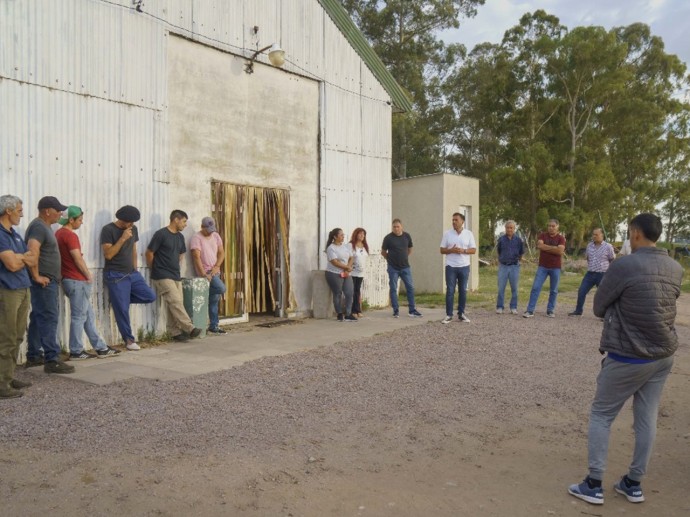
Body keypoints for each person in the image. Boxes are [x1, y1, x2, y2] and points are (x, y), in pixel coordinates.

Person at [568, 213, 684, 506]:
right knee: (646, 418)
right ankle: (633, 483)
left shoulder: (623, 265)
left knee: (601, 414)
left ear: (634, 233)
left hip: (627, 355)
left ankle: (593, 484)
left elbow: (598, 307)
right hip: (663, 356)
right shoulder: (675, 267)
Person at [56, 206, 120, 359]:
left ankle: (101, 348)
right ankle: (76, 351)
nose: (81, 223)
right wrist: (88, 275)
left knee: (88, 315)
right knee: (79, 316)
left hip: (68, 279)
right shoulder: (70, 236)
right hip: (77, 280)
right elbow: (77, 257)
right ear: (71, 220)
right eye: (79, 220)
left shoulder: (58, 234)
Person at [24, 196, 75, 374]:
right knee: (48, 317)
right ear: (47, 211)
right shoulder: (39, 226)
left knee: (38, 317)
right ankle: (52, 359)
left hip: (48, 280)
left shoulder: (43, 226)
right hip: (44, 281)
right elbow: (32, 249)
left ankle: (33, 355)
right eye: (58, 210)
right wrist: (37, 276)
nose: (60, 213)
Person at [101, 205, 156, 351]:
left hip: (131, 273)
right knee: (123, 310)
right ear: (122, 219)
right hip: (115, 274)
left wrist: (135, 269)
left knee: (150, 296)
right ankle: (129, 340)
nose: (132, 225)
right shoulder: (108, 230)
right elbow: (108, 254)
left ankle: (120, 300)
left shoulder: (134, 229)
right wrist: (122, 238)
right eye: (130, 222)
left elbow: (133, 249)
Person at [0, 195, 37, 398]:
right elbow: (12, 265)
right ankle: (1, 384)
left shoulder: (13, 234)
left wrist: (19, 257)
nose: (21, 214)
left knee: (17, 335)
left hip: (23, 288)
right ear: (8, 211)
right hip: (7, 291)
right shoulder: (1, 235)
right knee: (6, 337)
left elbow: (32, 258)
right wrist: (21, 258)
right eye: (19, 211)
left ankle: (7, 375)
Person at [146, 210, 202, 341]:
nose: (185, 225)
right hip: (162, 274)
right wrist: (153, 268)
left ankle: (174, 332)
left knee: (175, 303)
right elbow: (149, 252)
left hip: (175, 274)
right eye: (184, 221)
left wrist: (176, 264)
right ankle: (190, 328)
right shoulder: (161, 234)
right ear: (176, 219)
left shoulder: (180, 237)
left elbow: (181, 253)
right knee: (175, 301)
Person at [190, 217, 227, 334]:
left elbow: (221, 252)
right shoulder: (197, 238)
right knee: (221, 288)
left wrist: (217, 266)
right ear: (202, 227)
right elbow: (196, 257)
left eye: (212, 229)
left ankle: (214, 325)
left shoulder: (215, 236)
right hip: (206, 272)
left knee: (214, 300)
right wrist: (203, 274)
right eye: (208, 229)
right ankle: (204, 294)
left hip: (215, 271)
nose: (211, 232)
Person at [523, 219, 566, 318]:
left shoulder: (561, 238)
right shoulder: (543, 235)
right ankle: (530, 310)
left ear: (557, 227)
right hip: (542, 267)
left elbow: (560, 251)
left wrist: (546, 247)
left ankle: (550, 310)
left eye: (553, 226)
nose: (551, 228)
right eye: (549, 226)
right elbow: (539, 245)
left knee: (554, 290)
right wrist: (554, 248)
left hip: (555, 267)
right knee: (535, 288)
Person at [569, 228, 615, 316]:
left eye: (596, 235)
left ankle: (606, 314)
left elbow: (612, 259)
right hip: (590, 274)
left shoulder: (608, 246)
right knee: (581, 291)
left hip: (602, 274)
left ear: (602, 235)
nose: (594, 236)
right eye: (593, 234)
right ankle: (578, 311)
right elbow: (588, 258)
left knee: (603, 295)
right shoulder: (589, 245)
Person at [440, 213, 476, 323]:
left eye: (456, 220)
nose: (454, 222)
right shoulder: (447, 234)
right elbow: (442, 250)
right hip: (451, 266)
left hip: (464, 266)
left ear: (462, 221)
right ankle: (449, 315)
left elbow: (473, 250)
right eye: (453, 220)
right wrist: (451, 250)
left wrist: (463, 251)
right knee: (450, 290)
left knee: (463, 291)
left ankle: (461, 314)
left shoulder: (469, 234)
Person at [382, 219, 422, 318]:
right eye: (394, 227)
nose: (396, 228)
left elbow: (410, 249)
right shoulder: (388, 238)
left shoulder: (406, 236)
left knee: (410, 288)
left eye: (397, 226)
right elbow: (383, 252)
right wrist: (390, 259)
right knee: (393, 289)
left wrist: (404, 257)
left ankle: (412, 310)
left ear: (401, 227)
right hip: (393, 268)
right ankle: (396, 310)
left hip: (405, 267)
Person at [324, 228, 357, 322]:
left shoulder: (345, 246)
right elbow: (334, 262)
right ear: (335, 237)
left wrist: (348, 268)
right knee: (337, 293)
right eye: (341, 235)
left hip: (346, 273)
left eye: (343, 235)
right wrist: (346, 268)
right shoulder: (331, 248)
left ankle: (348, 313)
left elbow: (351, 257)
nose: (343, 237)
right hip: (334, 273)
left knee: (349, 292)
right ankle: (339, 313)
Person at [495, 220, 524, 315]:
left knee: (514, 288)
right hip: (503, 266)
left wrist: (517, 261)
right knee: (501, 288)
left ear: (514, 229)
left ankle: (513, 307)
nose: (509, 229)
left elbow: (521, 253)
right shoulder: (501, 239)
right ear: (505, 229)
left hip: (514, 267)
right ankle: (500, 307)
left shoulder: (518, 240)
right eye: (508, 227)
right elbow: (499, 251)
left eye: (511, 228)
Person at [349, 227, 369, 318]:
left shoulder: (364, 246)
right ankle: (353, 310)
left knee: (357, 291)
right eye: (360, 233)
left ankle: (358, 310)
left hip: (361, 273)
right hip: (352, 272)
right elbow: (349, 258)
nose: (362, 235)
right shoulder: (351, 245)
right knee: (353, 291)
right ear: (356, 234)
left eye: (363, 234)